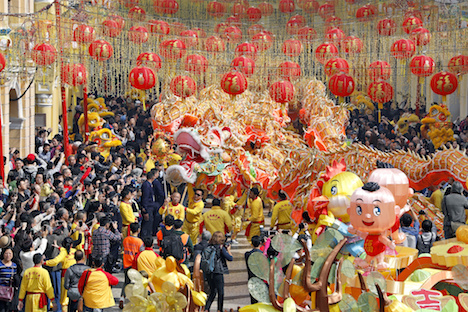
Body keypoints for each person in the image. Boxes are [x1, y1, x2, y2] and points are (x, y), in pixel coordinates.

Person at [44, 237, 77, 311]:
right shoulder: (75, 251)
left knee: (64, 298)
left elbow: (55, 261)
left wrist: (45, 262)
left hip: (65, 276)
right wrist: (58, 247)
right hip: (75, 276)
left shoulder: (63, 252)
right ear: (71, 244)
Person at [204, 231, 233, 312]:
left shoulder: (208, 247)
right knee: (221, 292)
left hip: (209, 272)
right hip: (218, 272)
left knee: (212, 291)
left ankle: (206, 308)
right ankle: (219, 309)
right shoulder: (220, 248)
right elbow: (230, 258)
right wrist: (229, 250)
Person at [120, 222, 144, 309]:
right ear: (138, 230)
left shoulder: (126, 239)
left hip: (126, 263)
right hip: (134, 265)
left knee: (126, 282)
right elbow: (141, 253)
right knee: (136, 284)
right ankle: (133, 300)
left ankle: (122, 298)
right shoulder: (139, 241)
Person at [244, 235, 262, 304]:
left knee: (253, 300)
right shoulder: (262, 254)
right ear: (260, 243)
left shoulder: (247, 254)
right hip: (260, 279)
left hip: (251, 278)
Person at [141, 171, 158, 237]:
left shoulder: (149, 184)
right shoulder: (146, 185)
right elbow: (145, 198)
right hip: (148, 207)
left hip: (151, 206)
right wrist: (145, 210)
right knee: (147, 224)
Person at [0, 247, 18, 312]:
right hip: (1, 291)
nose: (8, 255)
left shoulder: (14, 265)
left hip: (10, 292)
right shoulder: (0, 264)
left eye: (10, 253)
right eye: (6, 253)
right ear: (3, 254)